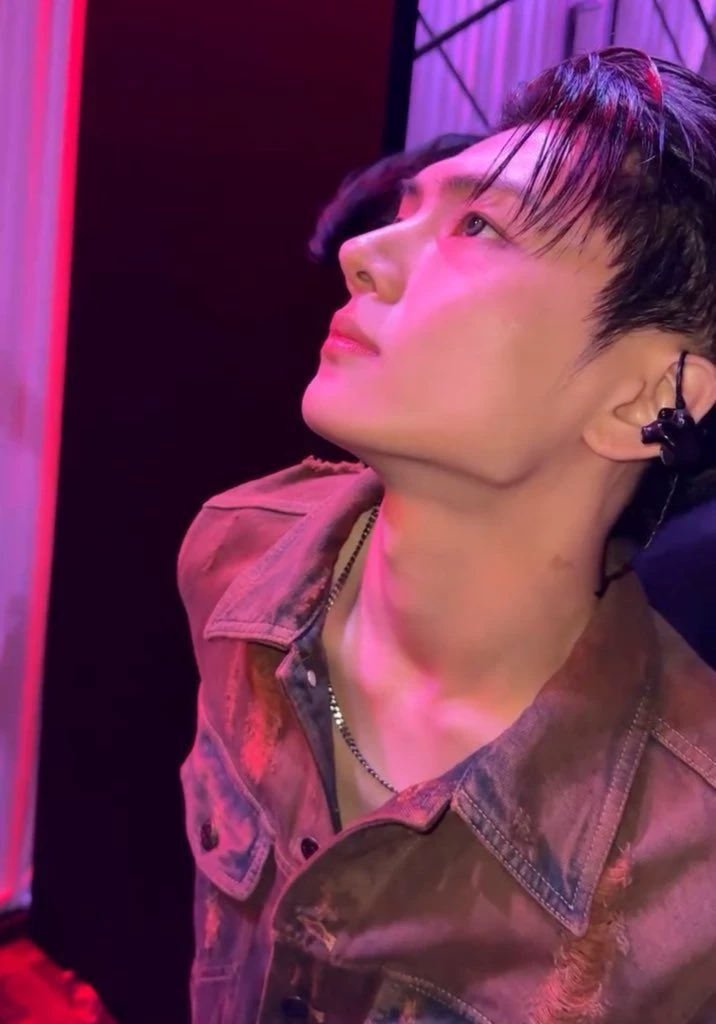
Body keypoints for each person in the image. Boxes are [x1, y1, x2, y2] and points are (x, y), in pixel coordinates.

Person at [177, 48, 716, 1023]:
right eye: (406, 210)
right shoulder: (239, 555)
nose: (362, 253)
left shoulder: (690, 862)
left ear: (646, 396)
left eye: (478, 226)